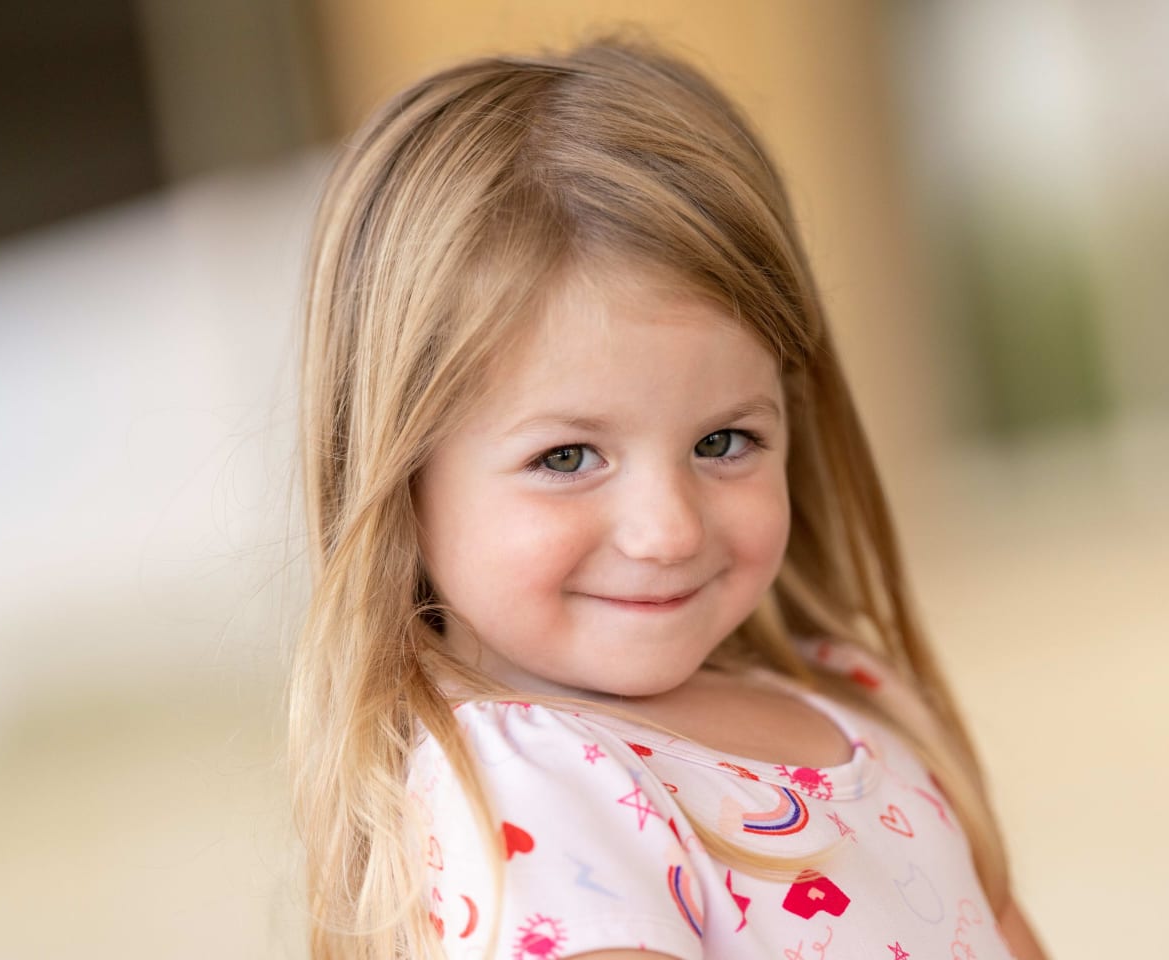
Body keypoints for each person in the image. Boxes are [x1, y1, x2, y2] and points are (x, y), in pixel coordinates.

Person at [289, 36, 1048, 960]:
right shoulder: (531, 787)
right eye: (567, 457)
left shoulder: (852, 699)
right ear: (399, 471)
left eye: (723, 442)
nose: (668, 530)